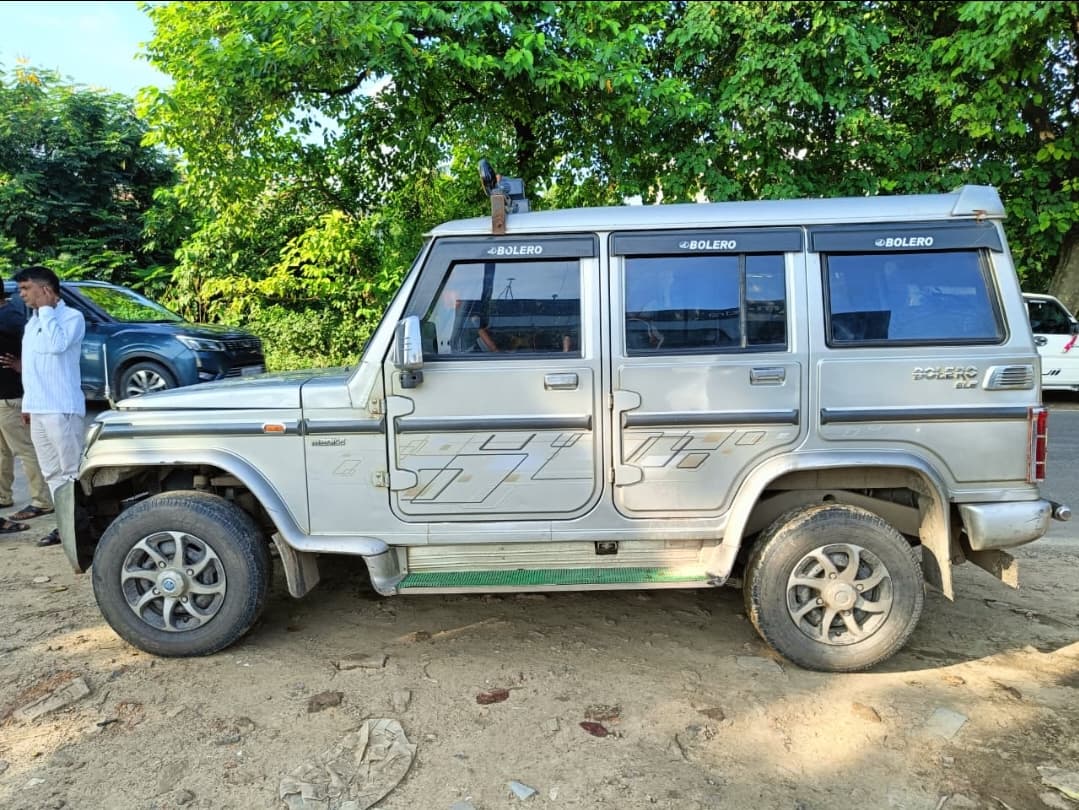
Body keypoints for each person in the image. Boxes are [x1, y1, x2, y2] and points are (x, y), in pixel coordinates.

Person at [13, 266, 85, 547]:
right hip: (39, 408)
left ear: (45, 289)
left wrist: (46, 309)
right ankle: (64, 527)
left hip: (61, 408)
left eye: (26, 289)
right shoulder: (31, 323)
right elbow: (32, 368)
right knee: (52, 473)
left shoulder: (71, 317)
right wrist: (28, 405)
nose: (22, 295)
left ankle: (82, 526)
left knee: (71, 472)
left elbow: (57, 346)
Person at [0, 285, 54, 534]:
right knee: (3, 451)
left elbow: (36, 351)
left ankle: (42, 501)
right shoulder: (12, 315)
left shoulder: (10, 319)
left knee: (24, 450)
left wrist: (23, 364)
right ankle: (3, 495)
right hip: (5, 396)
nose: (22, 293)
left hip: (11, 397)